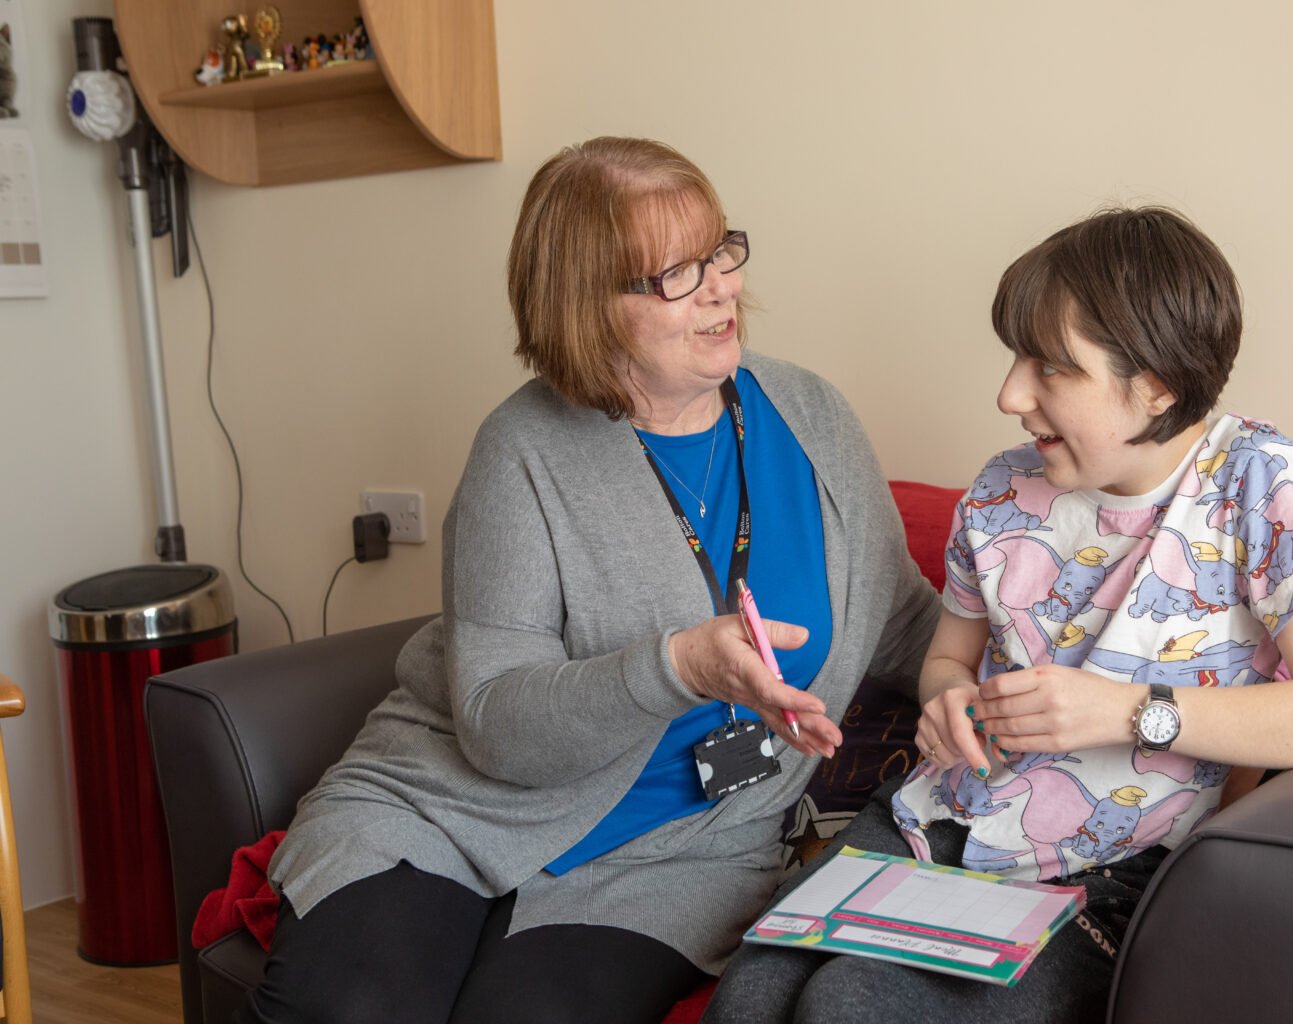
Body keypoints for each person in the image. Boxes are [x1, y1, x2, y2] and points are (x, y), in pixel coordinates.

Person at [245, 137, 940, 1024]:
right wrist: (681, 668)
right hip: (452, 808)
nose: (722, 286)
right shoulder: (521, 452)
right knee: (347, 1008)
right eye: (676, 274)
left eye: (720, 251)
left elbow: (904, 621)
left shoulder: (812, 419)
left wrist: (1049, 681)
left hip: (681, 853)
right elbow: (496, 726)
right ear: (586, 306)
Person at [703, 206, 1293, 1023]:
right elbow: (947, 660)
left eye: (1051, 367)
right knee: (748, 1002)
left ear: (1158, 385)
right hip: (935, 823)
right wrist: (946, 699)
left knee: (856, 1008)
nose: (1009, 394)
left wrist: (1127, 711)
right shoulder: (1000, 492)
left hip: (1110, 871)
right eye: (1014, 359)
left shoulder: (1256, 481)